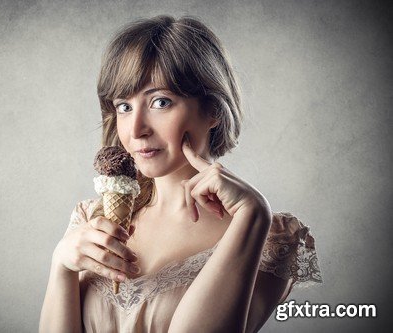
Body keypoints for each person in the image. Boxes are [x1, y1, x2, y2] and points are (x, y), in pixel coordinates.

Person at [39, 15, 322, 333]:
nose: (136, 130)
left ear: (213, 110)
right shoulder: (90, 218)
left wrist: (253, 214)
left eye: (160, 102)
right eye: (124, 106)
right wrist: (61, 265)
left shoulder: (272, 239)